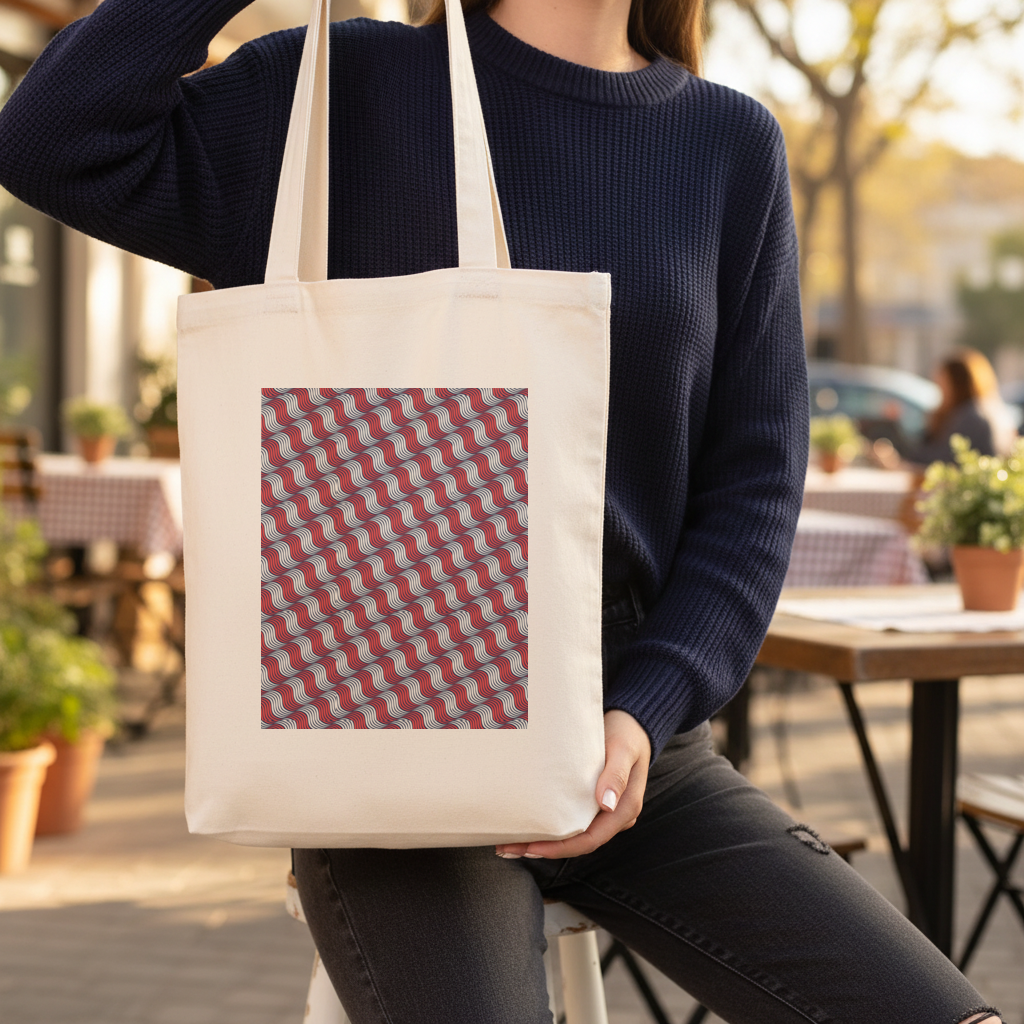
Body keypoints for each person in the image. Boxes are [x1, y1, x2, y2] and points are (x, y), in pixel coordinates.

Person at [0, 0, 1002, 1020]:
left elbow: (753, 488)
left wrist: (648, 709)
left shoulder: (726, 142)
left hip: (633, 734)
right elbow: (49, 139)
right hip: (385, 734)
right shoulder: (337, 90)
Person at [906, 349, 1019, 467]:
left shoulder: (971, 416)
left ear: (958, 384)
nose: (940, 394)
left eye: (942, 385)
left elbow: (943, 460)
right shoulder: (989, 409)